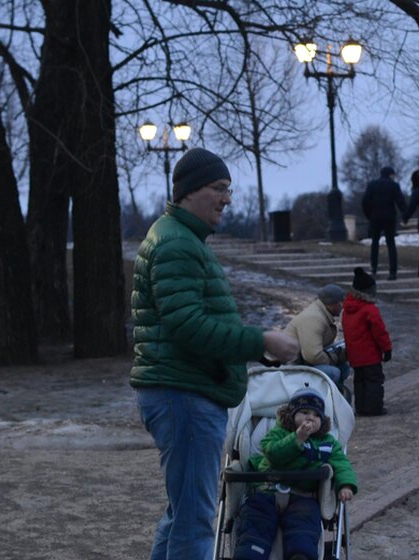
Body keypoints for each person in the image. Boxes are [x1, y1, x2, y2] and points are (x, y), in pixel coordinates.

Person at [130, 147, 300, 560]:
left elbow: (192, 324)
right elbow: (188, 327)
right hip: (183, 396)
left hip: (184, 392)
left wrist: (257, 349)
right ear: (189, 191)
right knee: (193, 521)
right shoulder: (176, 245)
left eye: (229, 189)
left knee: (182, 514)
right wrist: (260, 340)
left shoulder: (180, 238)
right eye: (218, 188)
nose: (227, 199)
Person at [233, 387, 358, 560]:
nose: (310, 418)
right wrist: (297, 438)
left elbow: (341, 464)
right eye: (304, 412)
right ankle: (251, 554)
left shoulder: (327, 443)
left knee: (304, 526)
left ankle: (300, 555)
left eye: (316, 415)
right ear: (291, 416)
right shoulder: (278, 433)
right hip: (266, 491)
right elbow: (273, 454)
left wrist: (346, 484)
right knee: (255, 521)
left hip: (303, 496)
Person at [342, 267, 393, 416]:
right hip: (370, 355)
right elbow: (380, 332)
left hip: (355, 356)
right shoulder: (370, 310)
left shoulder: (347, 309)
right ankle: (373, 408)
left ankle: (361, 407)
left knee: (360, 382)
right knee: (374, 381)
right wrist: (387, 348)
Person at [284, 284, 350, 392]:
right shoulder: (314, 318)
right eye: (340, 302)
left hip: (302, 362)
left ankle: (336, 396)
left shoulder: (321, 314)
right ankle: (324, 400)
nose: (342, 306)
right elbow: (312, 355)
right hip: (291, 368)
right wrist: (333, 359)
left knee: (344, 367)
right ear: (331, 304)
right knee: (334, 372)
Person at [362, 166, 407, 280]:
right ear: (390, 174)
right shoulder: (394, 185)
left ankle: (374, 267)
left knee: (375, 243)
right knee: (391, 244)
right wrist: (405, 214)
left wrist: (369, 215)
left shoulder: (372, 185)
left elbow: (365, 202)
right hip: (389, 217)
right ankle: (393, 271)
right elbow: (400, 201)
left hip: (375, 217)